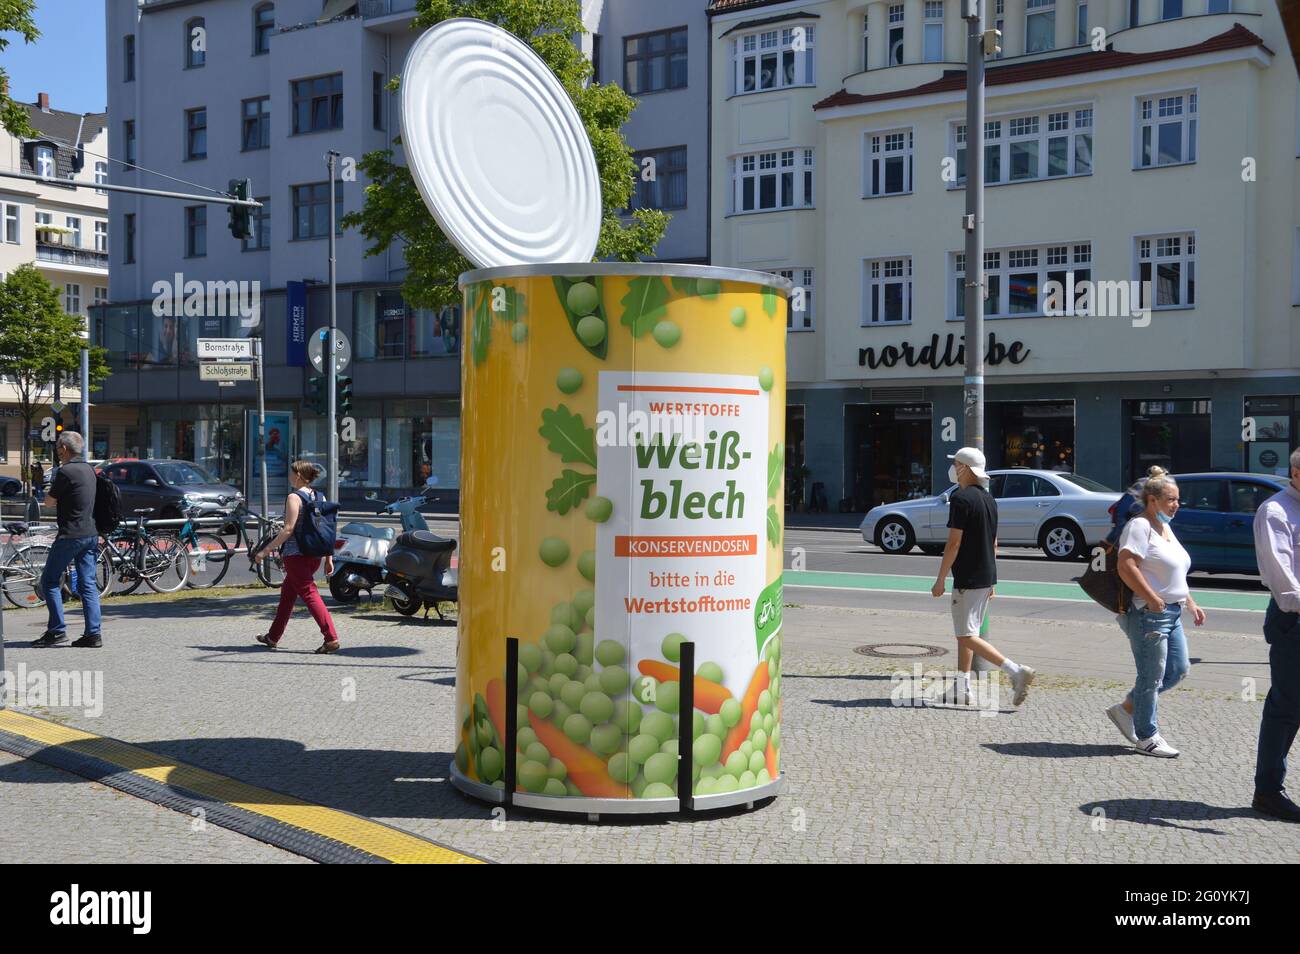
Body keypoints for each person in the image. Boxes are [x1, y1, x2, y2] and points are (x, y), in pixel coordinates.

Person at [1108, 472, 1205, 757]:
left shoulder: (1164, 527)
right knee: (1151, 676)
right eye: (1170, 499)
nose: (1176, 505)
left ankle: (1126, 709)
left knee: (1178, 670)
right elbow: (1126, 566)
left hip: (1171, 612)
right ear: (1153, 501)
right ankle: (1146, 736)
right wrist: (1151, 598)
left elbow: (1172, 570)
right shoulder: (1140, 526)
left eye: (1177, 500)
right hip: (1150, 613)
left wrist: (1190, 601)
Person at [931, 447, 1036, 707]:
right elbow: (994, 542)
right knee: (969, 632)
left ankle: (1015, 671)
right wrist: (992, 577)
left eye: (956, 463)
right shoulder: (989, 499)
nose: (953, 468)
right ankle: (961, 686)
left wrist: (940, 578)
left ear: (965, 468)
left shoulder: (961, 499)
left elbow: (954, 543)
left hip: (968, 576)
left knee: (965, 636)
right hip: (984, 575)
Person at [1251, 447, 1300, 821]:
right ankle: (1268, 791)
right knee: (1286, 707)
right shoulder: (1276, 511)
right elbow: (1283, 578)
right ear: (1296, 475)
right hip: (1293, 620)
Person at [251, 460, 339, 654]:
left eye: (291, 473)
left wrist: (264, 551)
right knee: (288, 595)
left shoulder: (294, 497)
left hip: (295, 555)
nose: (289, 476)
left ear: (298, 475)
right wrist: (328, 557)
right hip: (314, 555)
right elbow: (325, 530)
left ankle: (331, 637)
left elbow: (288, 529)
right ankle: (273, 636)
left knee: (309, 593)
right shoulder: (319, 496)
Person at [31, 432, 102, 648]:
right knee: (88, 584)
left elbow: (49, 503)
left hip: (70, 534)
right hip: (90, 533)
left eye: (57, 449)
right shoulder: (90, 469)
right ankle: (93, 634)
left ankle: (57, 631)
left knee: (50, 581)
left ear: (63, 448)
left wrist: (42, 484)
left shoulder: (66, 471)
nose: (57, 452)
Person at [1106, 465, 1167, 545]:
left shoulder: (1149, 485)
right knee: (1118, 539)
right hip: (1127, 515)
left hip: (1128, 515)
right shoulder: (1145, 485)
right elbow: (1135, 507)